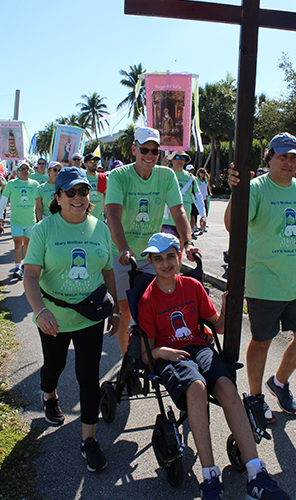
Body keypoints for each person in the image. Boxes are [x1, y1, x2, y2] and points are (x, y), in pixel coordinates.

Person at [137, 233, 291, 500]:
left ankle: (256, 476)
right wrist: (163, 353)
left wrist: (226, 304)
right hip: (169, 355)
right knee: (196, 387)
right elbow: (146, 354)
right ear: (150, 262)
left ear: (179, 256)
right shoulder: (147, 300)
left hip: (199, 347)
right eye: (158, 259)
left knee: (226, 386)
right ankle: (210, 478)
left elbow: (218, 326)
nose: (166, 263)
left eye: (171, 256)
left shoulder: (193, 286)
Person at [224, 132, 296, 422]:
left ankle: (279, 382)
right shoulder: (256, 188)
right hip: (264, 282)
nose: (289, 162)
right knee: (262, 341)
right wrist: (236, 192)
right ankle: (255, 397)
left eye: (294, 157)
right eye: (283, 156)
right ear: (269, 157)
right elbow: (233, 226)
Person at [23, 167, 119, 472]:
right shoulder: (44, 229)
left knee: (88, 377)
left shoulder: (100, 228)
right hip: (54, 318)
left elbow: (107, 272)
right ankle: (49, 394)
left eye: (83, 191)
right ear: (58, 197)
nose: (78, 197)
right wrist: (40, 311)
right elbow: (30, 274)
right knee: (55, 367)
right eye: (71, 192)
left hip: (90, 316)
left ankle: (89, 441)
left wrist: (115, 309)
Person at [106, 127, 200, 356]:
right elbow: (113, 215)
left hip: (150, 253)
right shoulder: (119, 176)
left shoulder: (166, 175)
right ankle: (127, 359)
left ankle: (154, 352)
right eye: (144, 149)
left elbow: (179, 213)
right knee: (126, 309)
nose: (149, 155)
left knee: (160, 304)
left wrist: (187, 242)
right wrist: (124, 249)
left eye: (154, 151)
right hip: (121, 252)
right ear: (134, 149)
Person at [0, 161, 39, 280]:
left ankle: (25, 266)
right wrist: (0, 216)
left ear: (29, 170)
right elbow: (4, 200)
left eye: (26, 169)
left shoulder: (35, 184)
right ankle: (17, 267)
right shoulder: (11, 184)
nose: (23, 171)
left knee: (27, 243)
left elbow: (39, 203)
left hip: (30, 221)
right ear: (17, 171)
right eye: (21, 169)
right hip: (16, 221)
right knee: (18, 244)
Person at [162, 151, 206, 243]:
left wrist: (203, 215)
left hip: (184, 223)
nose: (180, 160)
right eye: (177, 157)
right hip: (167, 222)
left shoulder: (191, 178)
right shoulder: (165, 175)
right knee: (170, 251)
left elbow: (198, 198)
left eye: (183, 158)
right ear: (171, 160)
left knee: (180, 252)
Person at [83, 153, 107, 221]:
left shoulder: (103, 178)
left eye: (96, 161)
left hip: (100, 219)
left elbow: (106, 196)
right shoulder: (82, 178)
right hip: (85, 219)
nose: (95, 163)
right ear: (85, 164)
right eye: (92, 161)